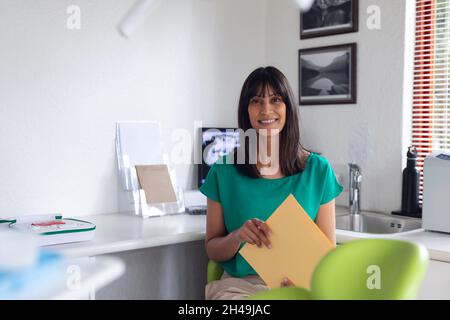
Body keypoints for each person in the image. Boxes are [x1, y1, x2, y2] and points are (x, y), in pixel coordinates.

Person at [200, 66, 343, 300]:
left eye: (275, 99)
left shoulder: (318, 170)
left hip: (300, 288)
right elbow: (212, 248)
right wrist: (237, 236)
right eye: (256, 101)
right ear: (246, 110)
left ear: (288, 108)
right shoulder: (223, 171)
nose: (266, 109)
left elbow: (327, 254)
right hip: (241, 288)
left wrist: (302, 285)